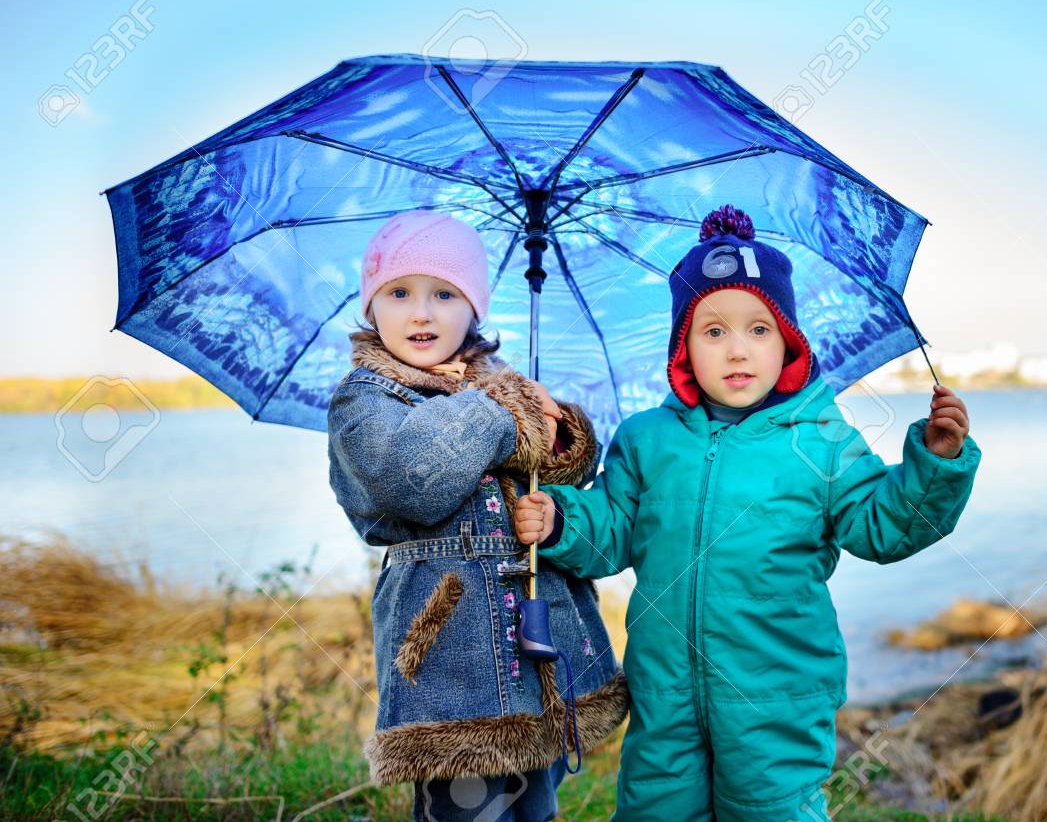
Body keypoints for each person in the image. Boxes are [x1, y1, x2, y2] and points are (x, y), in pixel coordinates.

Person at [513, 205, 982, 821]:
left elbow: (883, 524)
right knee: (655, 810)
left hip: (777, 698)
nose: (738, 350)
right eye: (713, 332)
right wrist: (560, 521)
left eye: (759, 330)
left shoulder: (821, 441)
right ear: (684, 347)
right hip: (664, 695)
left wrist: (934, 468)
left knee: (772, 811)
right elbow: (612, 529)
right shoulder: (647, 439)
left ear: (788, 340)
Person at [326, 210, 629, 821]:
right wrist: (500, 409)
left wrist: (558, 431)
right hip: (447, 653)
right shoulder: (364, 401)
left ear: (474, 309)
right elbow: (411, 481)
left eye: (445, 293)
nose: (422, 312)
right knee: (468, 807)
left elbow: (569, 473)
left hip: (537, 645)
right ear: (371, 307)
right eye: (399, 293)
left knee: (535, 805)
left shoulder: (499, 384)